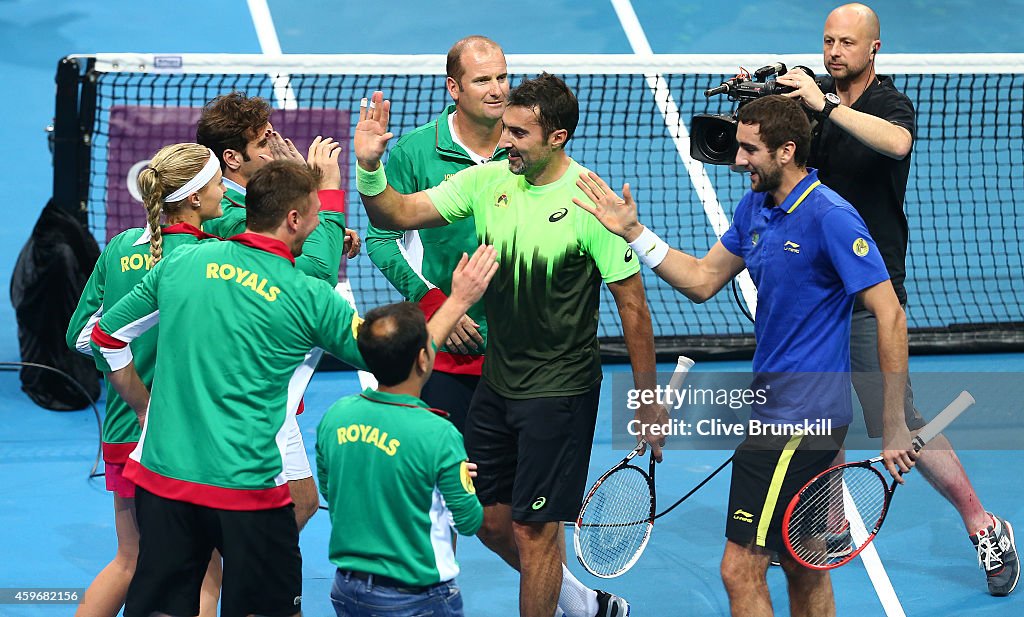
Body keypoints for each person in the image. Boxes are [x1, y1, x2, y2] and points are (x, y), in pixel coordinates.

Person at [573, 95, 908, 617]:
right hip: (780, 411)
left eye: (750, 149)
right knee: (805, 561)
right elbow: (704, 280)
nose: (736, 160)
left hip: (800, 421)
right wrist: (635, 233)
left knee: (740, 567)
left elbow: (889, 313)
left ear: (787, 150)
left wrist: (894, 426)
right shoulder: (756, 206)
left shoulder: (832, 218)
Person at [354, 73, 661, 617]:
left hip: (559, 391)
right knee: (489, 519)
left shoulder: (594, 204)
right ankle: (585, 606)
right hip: (499, 381)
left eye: (519, 133)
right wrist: (371, 167)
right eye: (505, 129)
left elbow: (633, 307)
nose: (504, 141)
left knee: (533, 529)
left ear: (557, 138)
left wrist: (647, 402)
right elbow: (395, 214)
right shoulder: (488, 180)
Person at [776, 2, 1018, 596]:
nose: (834, 52)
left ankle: (984, 524)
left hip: (869, 287)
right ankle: (827, 518)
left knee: (900, 419)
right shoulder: (805, 98)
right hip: (811, 286)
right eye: (828, 41)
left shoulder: (886, 103)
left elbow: (897, 144)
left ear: (873, 49)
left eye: (847, 43)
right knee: (819, 406)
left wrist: (824, 106)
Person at [90, 161, 373, 617]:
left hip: (163, 482)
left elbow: (101, 337)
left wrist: (146, 406)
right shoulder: (308, 294)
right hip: (248, 492)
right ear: (296, 219)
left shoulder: (183, 262)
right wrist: (456, 300)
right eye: (316, 212)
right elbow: (392, 355)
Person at [66, 143, 224, 617]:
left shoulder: (119, 248)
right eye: (218, 183)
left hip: (122, 434)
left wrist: (127, 379)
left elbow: (83, 337)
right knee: (206, 568)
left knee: (129, 559)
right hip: (187, 442)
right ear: (194, 199)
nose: (224, 192)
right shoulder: (213, 258)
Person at [196, 90, 360, 533]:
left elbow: (286, 249)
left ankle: (250, 581)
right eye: (265, 141)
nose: (276, 145)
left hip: (272, 383)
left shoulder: (254, 202)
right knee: (243, 514)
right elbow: (312, 278)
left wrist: (315, 222)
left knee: (302, 501)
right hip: (248, 382)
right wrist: (325, 193)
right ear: (232, 157)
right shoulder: (224, 213)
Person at [316, 296, 498, 616]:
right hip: (417, 598)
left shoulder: (335, 416)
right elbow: (468, 521)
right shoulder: (438, 433)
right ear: (424, 359)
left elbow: (331, 491)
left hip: (346, 589)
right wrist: (456, 481)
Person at [366, 34, 508, 432]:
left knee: (510, 487)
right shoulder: (415, 151)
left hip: (517, 351)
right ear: (454, 87)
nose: (497, 91)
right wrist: (434, 303)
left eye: (502, 77)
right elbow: (380, 238)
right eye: (483, 80)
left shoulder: (525, 145)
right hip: (446, 350)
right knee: (449, 477)